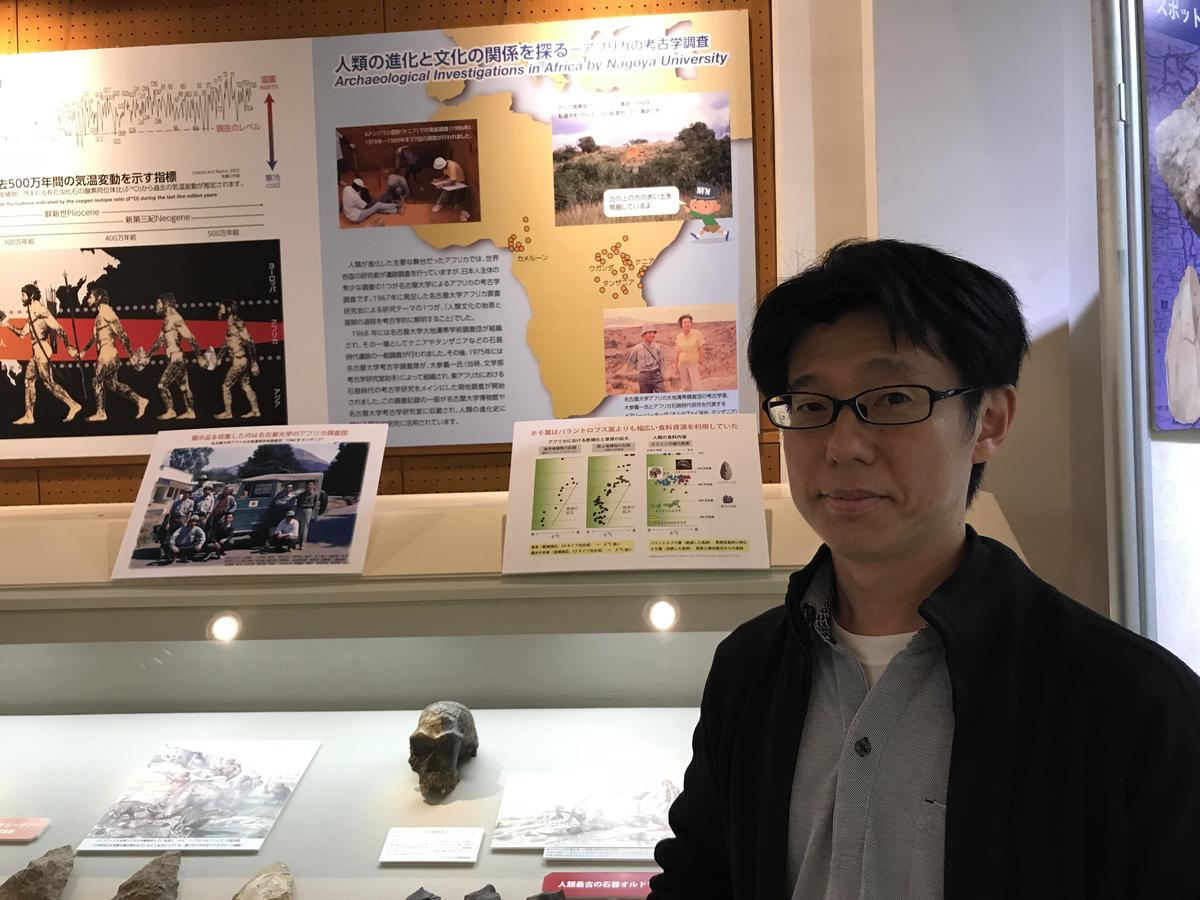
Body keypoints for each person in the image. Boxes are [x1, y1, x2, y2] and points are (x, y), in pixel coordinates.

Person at [649, 239, 1200, 899]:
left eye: (891, 399)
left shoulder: (1131, 700)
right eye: (811, 405)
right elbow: (698, 881)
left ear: (989, 420)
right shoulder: (750, 669)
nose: (843, 445)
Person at [3, 284, 82, 425]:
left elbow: (58, 328)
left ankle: (74, 405)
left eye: (23, 295)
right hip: (36, 352)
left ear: (32, 295)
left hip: (42, 350)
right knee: (29, 381)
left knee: (49, 383)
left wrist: (69, 347)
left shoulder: (40, 309)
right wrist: (8, 325)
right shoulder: (32, 312)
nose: (21, 298)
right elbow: (22, 334)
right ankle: (29, 416)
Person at [77, 286, 148, 422]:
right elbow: (95, 337)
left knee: (97, 380)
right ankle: (140, 400)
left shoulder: (107, 312)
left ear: (98, 298)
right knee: (113, 385)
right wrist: (84, 351)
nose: (88, 299)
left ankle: (101, 413)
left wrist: (131, 355)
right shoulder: (99, 316)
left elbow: (122, 334)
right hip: (105, 353)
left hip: (108, 353)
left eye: (90, 296)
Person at [149, 291, 197, 420]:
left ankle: (171, 411)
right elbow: (160, 341)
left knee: (161, 385)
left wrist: (199, 357)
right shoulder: (167, 319)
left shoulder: (175, 318)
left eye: (158, 303)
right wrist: (148, 356)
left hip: (177, 358)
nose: (156, 306)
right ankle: (191, 412)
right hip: (175, 358)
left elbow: (191, 337)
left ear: (166, 303)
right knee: (184, 387)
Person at [214, 300, 261, 420]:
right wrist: (219, 358)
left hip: (239, 361)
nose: (219, 311)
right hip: (241, 360)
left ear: (229, 309)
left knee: (225, 386)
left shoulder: (238, 322)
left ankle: (228, 413)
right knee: (245, 385)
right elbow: (226, 344)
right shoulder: (230, 325)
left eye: (221, 308)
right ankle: (255, 411)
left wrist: (254, 363)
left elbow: (249, 341)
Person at [625, 325, 666, 394]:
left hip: (657, 374)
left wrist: (662, 374)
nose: (652, 335)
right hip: (644, 376)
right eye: (649, 333)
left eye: (653, 333)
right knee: (646, 396)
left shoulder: (657, 347)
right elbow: (631, 362)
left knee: (662, 395)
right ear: (643, 335)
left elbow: (661, 361)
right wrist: (640, 370)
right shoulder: (637, 348)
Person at [430, 156, 470, 221]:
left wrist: (442, 185)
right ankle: (442, 203)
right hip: (452, 179)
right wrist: (439, 180)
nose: (440, 170)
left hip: (459, 181)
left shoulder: (452, 167)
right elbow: (446, 175)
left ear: (443, 166)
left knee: (446, 190)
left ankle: (439, 204)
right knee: (444, 186)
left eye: (440, 168)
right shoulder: (446, 163)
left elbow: (453, 183)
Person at [674, 314, 705, 391]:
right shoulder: (679, 336)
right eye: (685, 322)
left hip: (693, 364)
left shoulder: (697, 334)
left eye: (689, 322)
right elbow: (677, 352)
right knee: (686, 386)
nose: (688, 324)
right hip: (682, 365)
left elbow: (701, 349)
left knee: (697, 386)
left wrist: (701, 364)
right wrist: (675, 366)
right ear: (681, 325)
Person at [295, 481, 319, 550]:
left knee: (304, 528)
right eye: (308, 485)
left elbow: (315, 505)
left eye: (311, 485)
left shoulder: (315, 495)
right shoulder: (301, 494)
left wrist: (312, 514)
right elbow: (298, 503)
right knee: (296, 526)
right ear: (305, 486)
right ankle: (294, 543)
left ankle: (302, 544)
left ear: (313, 486)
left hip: (308, 510)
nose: (309, 486)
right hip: (299, 510)